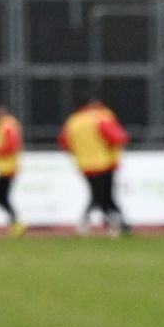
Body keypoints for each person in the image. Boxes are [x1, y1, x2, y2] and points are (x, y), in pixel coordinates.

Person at [60, 98, 132, 236]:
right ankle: (114, 224)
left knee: (98, 195)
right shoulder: (101, 118)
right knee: (104, 196)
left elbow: (65, 142)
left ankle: (109, 223)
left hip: (84, 164)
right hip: (103, 163)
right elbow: (117, 137)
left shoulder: (74, 120)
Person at [0, 103, 26, 237]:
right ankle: (15, 223)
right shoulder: (2, 125)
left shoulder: (7, 125)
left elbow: (10, 145)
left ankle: (16, 223)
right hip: (5, 166)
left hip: (8, 166)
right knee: (2, 196)